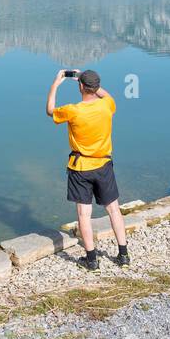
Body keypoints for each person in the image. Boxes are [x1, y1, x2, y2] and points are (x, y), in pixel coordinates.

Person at [45, 68, 129, 270]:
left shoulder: (73, 110)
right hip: (103, 164)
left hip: (81, 167)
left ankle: (91, 260)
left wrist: (56, 83)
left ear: (81, 87)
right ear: (97, 87)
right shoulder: (107, 105)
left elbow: (50, 110)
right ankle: (123, 255)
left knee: (84, 214)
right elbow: (106, 95)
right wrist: (88, 80)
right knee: (113, 209)